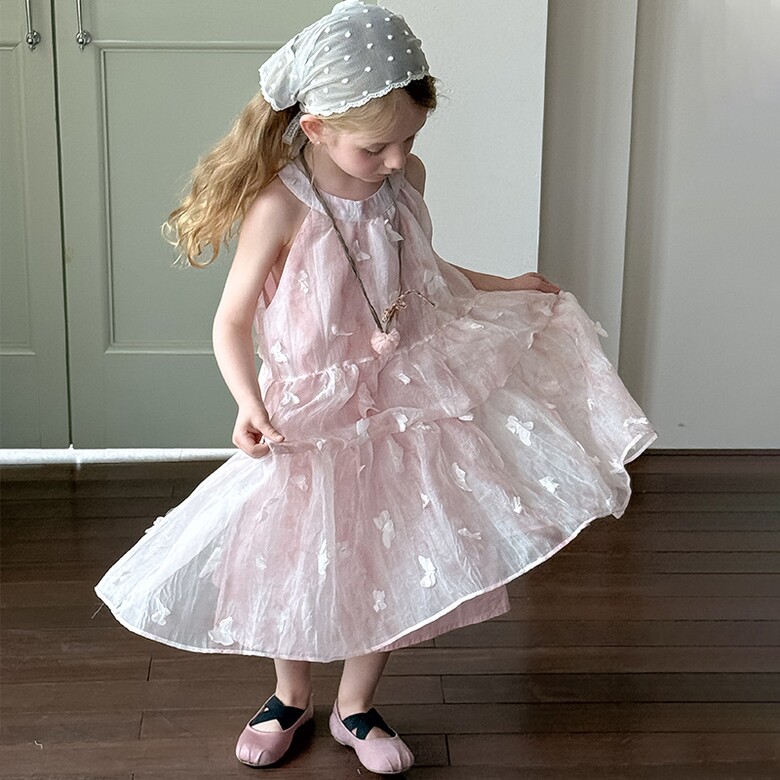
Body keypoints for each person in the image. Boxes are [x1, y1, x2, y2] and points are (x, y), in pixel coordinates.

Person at [94, 1, 658, 774]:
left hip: (400, 402)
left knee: (387, 552)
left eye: (409, 141)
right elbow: (230, 322)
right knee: (296, 554)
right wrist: (249, 402)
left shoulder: (403, 181)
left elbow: (427, 272)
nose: (396, 160)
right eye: (376, 147)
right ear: (317, 127)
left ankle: (356, 706)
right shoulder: (281, 205)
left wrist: (505, 286)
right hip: (309, 412)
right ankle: (290, 696)